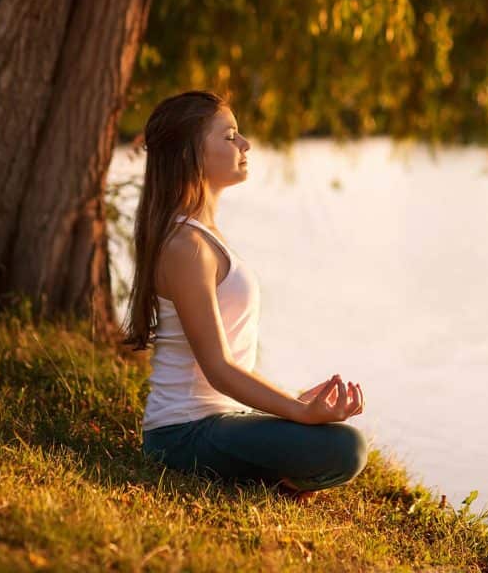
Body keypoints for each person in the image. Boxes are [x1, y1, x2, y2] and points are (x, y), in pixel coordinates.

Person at [123, 89, 368, 500]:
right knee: (345, 448)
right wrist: (299, 413)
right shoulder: (186, 247)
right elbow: (218, 368)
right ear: (191, 155)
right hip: (182, 436)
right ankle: (270, 482)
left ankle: (263, 476)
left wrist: (294, 401)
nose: (245, 144)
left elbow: (228, 369)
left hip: (218, 420)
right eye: (230, 136)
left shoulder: (202, 238)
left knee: (337, 438)